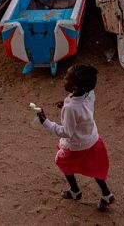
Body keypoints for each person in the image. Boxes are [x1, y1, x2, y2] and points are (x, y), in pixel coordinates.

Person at [37, 64, 114, 210]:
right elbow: (80, 106)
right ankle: (107, 195)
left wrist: (46, 122)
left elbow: (66, 132)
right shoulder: (89, 93)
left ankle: (75, 191)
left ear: (75, 87)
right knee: (95, 168)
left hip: (77, 146)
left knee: (64, 163)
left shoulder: (71, 108)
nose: (64, 79)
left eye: (67, 78)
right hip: (92, 140)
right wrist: (66, 101)